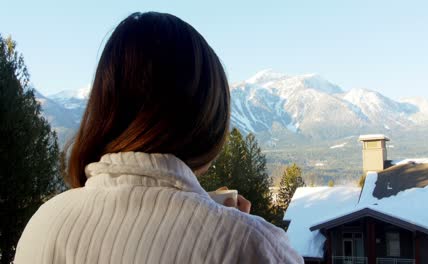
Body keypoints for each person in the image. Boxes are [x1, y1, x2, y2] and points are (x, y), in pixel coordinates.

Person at [14, 12, 303, 264]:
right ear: (206, 120)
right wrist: (234, 228)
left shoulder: (42, 226)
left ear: (103, 110)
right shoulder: (254, 247)